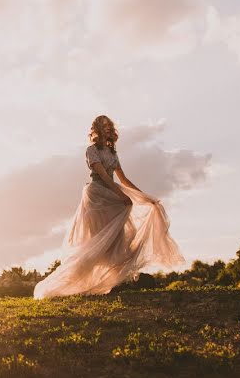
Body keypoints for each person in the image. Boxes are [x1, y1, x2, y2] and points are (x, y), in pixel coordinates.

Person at [33, 115, 186, 299]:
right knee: (99, 242)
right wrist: (121, 195)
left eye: (109, 125)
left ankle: (115, 283)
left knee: (118, 241)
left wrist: (146, 198)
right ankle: (78, 283)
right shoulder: (91, 151)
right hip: (97, 197)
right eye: (103, 125)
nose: (107, 128)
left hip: (112, 195)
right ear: (96, 129)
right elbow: (104, 177)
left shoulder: (113, 154)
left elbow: (124, 179)